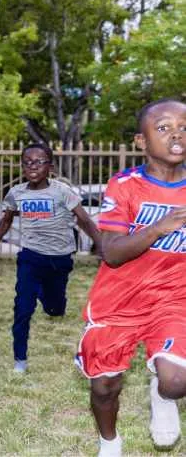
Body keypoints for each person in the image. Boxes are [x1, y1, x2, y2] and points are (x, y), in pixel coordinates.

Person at [73, 99, 186, 457]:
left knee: (176, 379)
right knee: (104, 386)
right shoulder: (124, 185)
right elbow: (112, 252)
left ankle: (163, 395)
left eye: (184, 127)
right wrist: (160, 226)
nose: (177, 134)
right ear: (141, 141)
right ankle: (109, 441)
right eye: (164, 127)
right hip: (119, 300)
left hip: (174, 298)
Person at [0, 143, 100, 373]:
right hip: (30, 257)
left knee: (55, 309)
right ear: (22, 166)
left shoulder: (61, 191)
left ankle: (47, 298)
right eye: (27, 162)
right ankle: (20, 360)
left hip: (60, 258)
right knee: (22, 308)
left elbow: (84, 220)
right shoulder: (17, 193)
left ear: (50, 166)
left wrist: (104, 245)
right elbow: (6, 221)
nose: (32, 166)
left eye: (39, 161)